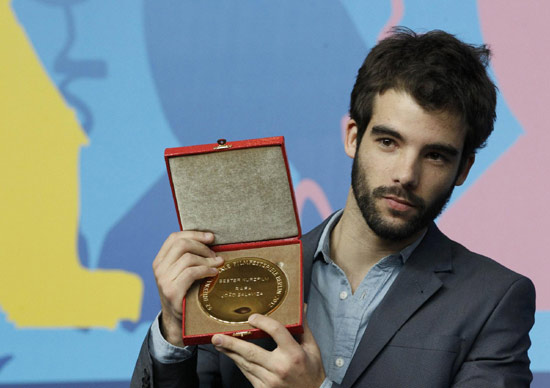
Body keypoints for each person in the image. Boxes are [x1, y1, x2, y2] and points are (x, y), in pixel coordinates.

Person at [131, 27, 536, 387]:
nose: (405, 174)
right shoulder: (242, 271)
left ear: (463, 168)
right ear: (352, 138)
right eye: (388, 142)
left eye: (435, 156)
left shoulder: (493, 301)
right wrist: (173, 331)